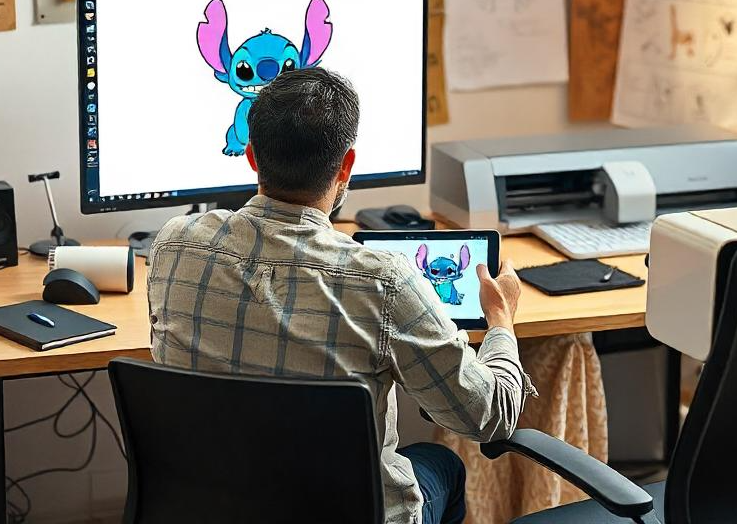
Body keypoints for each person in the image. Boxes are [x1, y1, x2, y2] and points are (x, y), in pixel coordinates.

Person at [148, 68, 534, 524]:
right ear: (346, 165)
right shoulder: (383, 282)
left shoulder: (174, 244)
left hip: (213, 508)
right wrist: (501, 321)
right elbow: (486, 417)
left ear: (251, 157)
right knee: (442, 464)